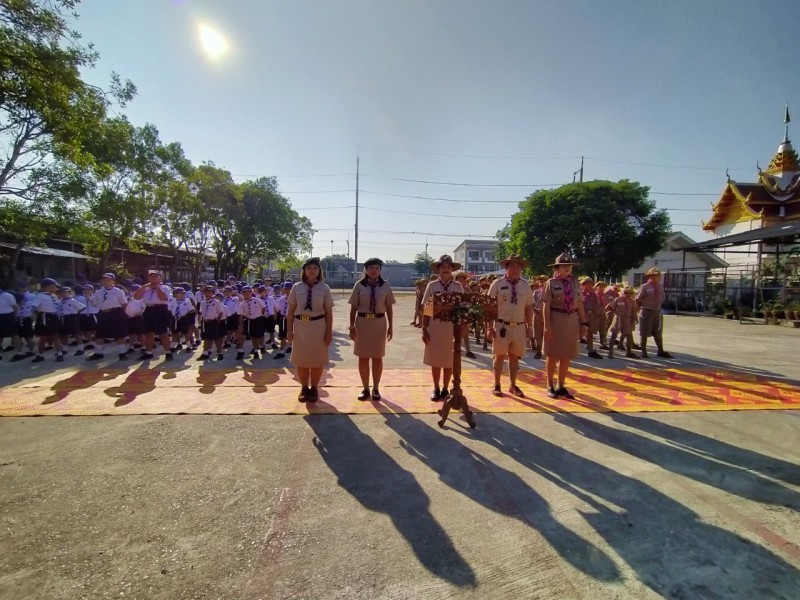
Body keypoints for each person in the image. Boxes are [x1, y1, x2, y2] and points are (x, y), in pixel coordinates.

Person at [348, 257, 396, 401]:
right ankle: (365, 388)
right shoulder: (359, 285)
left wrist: (391, 326)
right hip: (362, 324)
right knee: (363, 358)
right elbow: (353, 308)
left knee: (377, 357)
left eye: (376, 268)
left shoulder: (385, 286)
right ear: (366, 270)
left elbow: (389, 308)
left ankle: (375, 388)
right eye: (371, 268)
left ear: (380, 270)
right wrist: (351, 327)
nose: (374, 270)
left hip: (379, 324)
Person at [542, 254, 589, 399]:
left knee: (566, 355)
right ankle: (550, 385)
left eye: (569, 266)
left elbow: (579, 303)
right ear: (557, 268)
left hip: (571, 320)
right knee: (552, 355)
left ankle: (561, 385)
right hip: (556, 319)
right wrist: (547, 325)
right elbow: (546, 305)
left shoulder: (575, 283)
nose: (567, 268)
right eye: (564, 266)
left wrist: (584, 323)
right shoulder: (551, 283)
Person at [287, 257, 334, 402]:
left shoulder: (324, 288)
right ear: (304, 271)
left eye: (315, 268)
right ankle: (304, 388)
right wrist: (289, 331)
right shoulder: (296, 287)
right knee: (301, 360)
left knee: (317, 360)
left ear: (319, 270)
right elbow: (290, 311)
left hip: (318, 326)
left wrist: (329, 333)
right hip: (300, 327)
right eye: (309, 268)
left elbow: (329, 313)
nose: (312, 270)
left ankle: (314, 388)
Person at [487, 254, 534, 397]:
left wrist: (530, 327)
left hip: (519, 326)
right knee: (499, 356)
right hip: (502, 325)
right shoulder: (497, 284)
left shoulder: (525, 285)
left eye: (518, 267)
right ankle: (497, 384)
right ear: (506, 268)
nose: (515, 269)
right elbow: (489, 307)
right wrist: (489, 328)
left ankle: (513, 385)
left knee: (514, 357)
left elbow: (528, 307)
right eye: (512, 266)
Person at [421, 255, 464, 401]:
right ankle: (436, 388)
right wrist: (424, 328)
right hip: (435, 326)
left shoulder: (458, 286)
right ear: (438, 269)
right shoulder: (432, 286)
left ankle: (445, 388)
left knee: (449, 360)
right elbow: (426, 309)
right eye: (443, 267)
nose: (446, 269)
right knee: (435, 359)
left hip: (451, 327)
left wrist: (463, 328)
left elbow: (463, 308)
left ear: (452, 269)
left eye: (448, 267)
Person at [86, 273, 129, 362]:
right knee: (99, 334)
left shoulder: (118, 291)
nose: (106, 282)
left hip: (115, 313)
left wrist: (123, 314)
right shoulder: (98, 292)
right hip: (103, 314)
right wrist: (89, 297)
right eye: (104, 280)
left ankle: (122, 353)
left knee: (119, 334)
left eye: (109, 280)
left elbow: (124, 303)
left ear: (113, 281)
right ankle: (98, 353)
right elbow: (95, 304)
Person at [132, 270, 173, 361]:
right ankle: (148, 352)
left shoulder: (165, 288)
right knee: (148, 333)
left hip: (160, 309)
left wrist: (157, 288)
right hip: (148, 309)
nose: (153, 278)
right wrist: (144, 287)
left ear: (160, 278)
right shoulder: (146, 288)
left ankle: (168, 353)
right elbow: (136, 297)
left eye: (156, 276)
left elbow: (164, 298)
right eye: (151, 276)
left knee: (163, 332)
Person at [636, 267, 673, 358]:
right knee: (644, 332)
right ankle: (644, 351)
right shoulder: (644, 286)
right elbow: (638, 299)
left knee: (658, 332)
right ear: (651, 276)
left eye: (659, 275)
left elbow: (662, 298)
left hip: (657, 312)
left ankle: (660, 351)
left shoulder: (660, 286)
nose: (659, 277)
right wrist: (638, 309)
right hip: (646, 311)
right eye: (657, 275)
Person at [31, 278, 63, 363]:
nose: (56, 288)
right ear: (48, 287)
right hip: (44, 317)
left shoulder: (54, 296)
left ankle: (59, 354)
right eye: (54, 286)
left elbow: (57, 306)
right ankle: (40, 355)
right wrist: (39, 314)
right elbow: (33, 307)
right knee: (43, 337)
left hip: (54, 316)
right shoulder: (40, 296)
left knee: (55, 336)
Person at [606, 287, 639, 359]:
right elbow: (608, 307)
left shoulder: (632, 301)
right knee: (614, 335)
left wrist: (636, 318)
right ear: (623, 293)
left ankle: (629, 352)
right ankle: (610, 353)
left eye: (630, 293)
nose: (628, 295)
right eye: (627, 293)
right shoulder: (617, 299)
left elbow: (634, 311)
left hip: (627, 319)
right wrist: (616, 312)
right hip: (619, 318)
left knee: (628, 335)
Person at [235, 286, 265, 360]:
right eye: (245, 293)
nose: (247, 294)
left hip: (258, 319)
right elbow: (241, 315)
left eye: (248, 292)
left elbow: (263, 308)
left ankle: (257, 349)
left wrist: (261, 315)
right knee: (251, 336)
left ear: (251, 293)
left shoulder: (257, 300)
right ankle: (253, 348)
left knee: (258, 336)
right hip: (249, 320)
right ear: (243, 294)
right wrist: (241, 325)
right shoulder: (242, 303)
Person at [197, 285, 226, 361]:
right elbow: (201, 312)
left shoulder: (216, 302)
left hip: (214, 321)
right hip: (205, 322)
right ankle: (205, 353)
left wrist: (217, 322)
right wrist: (201, 320)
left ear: (213, 293)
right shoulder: (203, 302)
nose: (207, 294)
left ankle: (219, 353)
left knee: (217, 338)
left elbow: (220, 312)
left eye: (209, 292)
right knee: (206, 338)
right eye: (206, 292)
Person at [579, 277, 604, 360]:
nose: (590, 285)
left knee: (590, 333)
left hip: (591, 314)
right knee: (578, 332)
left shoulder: (593, 294)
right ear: (583, 285)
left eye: (591, 284)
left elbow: (596, 305)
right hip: (582, 314)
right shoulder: (579, 293)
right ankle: (573, 349)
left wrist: (595, 315)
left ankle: (590, 349)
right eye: (587, 284)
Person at [0, 284, 19, 362]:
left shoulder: (7, 295)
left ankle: (19, 352)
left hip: (8, 316)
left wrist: (15, 316)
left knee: (14, 335)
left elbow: (15, 307)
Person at [273, 282, 292, 359]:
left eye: (289, 289)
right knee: (282, 335)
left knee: (292, 334)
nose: (287, 291)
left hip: (292, 319)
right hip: (283, 319)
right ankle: (281, 351)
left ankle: (292, 347)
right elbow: (277, 309)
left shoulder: (295, 299)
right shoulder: (282, 299)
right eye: (286, 289)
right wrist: (275, 317)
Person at [531, 274, 547, 359]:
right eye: (540, 281)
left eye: (544, 281)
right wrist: (535, 313)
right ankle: (538, 351)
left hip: (547, 316)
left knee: (547, 334)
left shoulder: (549, 292)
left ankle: (547, 352)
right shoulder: (536, 292)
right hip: (537, 315)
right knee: (537, 334)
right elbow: (531, 304)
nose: (542, 282)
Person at [594, 281, 610, 350]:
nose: (602, 288)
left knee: (603, 330)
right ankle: (590, 345)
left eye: (603, 287)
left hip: (603, 314)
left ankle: (602, 344)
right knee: (591, 330)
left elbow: (608, 305)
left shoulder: (605, 296)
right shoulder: (593, 296)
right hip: (595, 315)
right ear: (596, 287)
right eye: (600, 287)